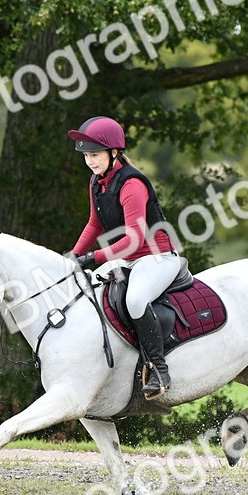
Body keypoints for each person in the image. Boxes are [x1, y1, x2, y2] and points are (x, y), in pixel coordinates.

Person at [63, 115, 183, 400]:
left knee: (135, 300)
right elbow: (94, 224)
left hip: (157, 257)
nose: (90, 161)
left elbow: (134, 241)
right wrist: (73, 255)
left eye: (95, 154)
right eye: (86, 156)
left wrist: (93, 256)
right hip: (129, 259)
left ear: (113, 152)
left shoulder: (131, 185)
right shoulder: (97, 182)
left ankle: (158, 368)